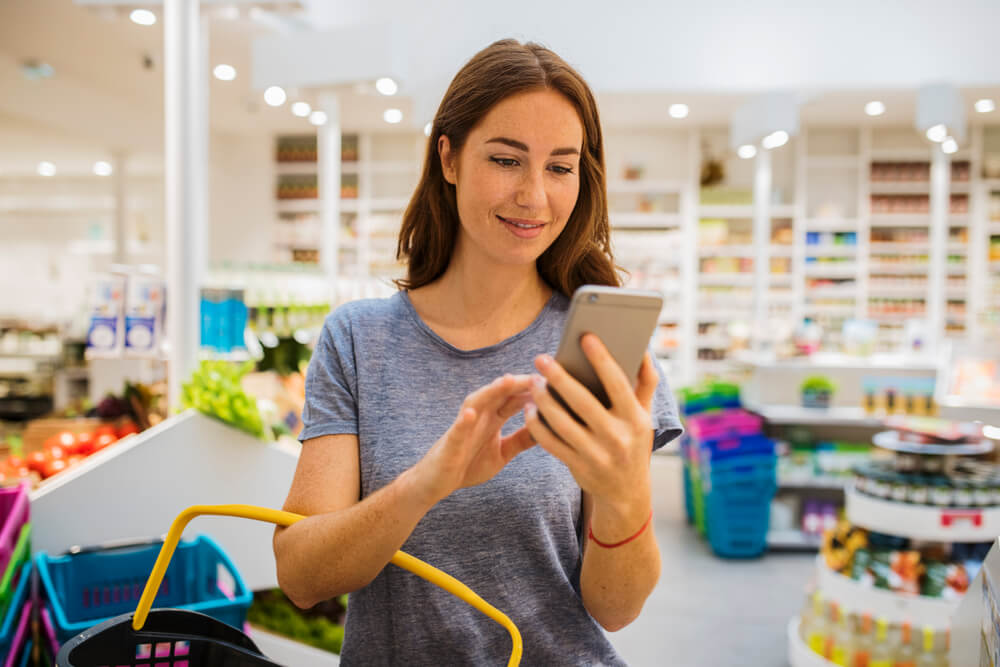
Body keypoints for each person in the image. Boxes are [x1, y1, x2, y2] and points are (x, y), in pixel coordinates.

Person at [273, 38, 683, 666]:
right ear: (450, 157)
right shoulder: (358, 340)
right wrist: (426, 484)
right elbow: (301, 577)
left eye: (560, 167)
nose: (534, 196)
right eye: (506, 160)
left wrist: (625, 490)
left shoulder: (598, 349)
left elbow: (616, 608)